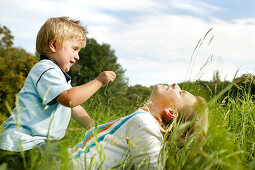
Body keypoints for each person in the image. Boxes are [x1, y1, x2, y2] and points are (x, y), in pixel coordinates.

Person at [0, 16, 116, 169]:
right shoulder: (45, 69)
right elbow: (70, 99)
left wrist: (94, 128)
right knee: (66, 161)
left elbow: (75, 106)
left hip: (33, 144)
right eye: (74, 49)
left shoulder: (59, 77)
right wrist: (98, 81)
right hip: (21, 142)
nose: (77, 56)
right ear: (53, 45)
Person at [69, 83, 208, 169]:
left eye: (180, 92)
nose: (175, 85)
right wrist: (66, 97)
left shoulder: (146, 123)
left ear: (171, 112)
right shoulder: (143, 119)